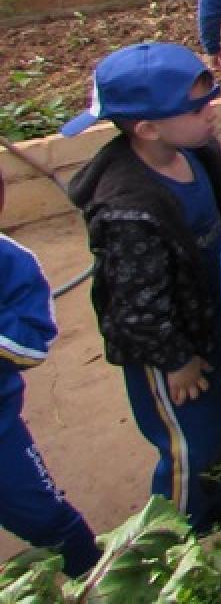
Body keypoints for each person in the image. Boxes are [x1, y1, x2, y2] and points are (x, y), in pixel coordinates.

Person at [64, 44, 221, 532]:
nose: (212, 111)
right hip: (170, 350)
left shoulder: (199, 151)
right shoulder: (128, 210)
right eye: (196, 107)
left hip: (214, 321)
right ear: (147, 128)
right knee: (190, 443)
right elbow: (136, 309)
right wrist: (175, 361)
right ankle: (176, 535)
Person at [0, 171, 100, 577]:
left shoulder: (12, 264)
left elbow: (33, 341)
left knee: (48, 519)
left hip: (1, 434)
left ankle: (94, 577)